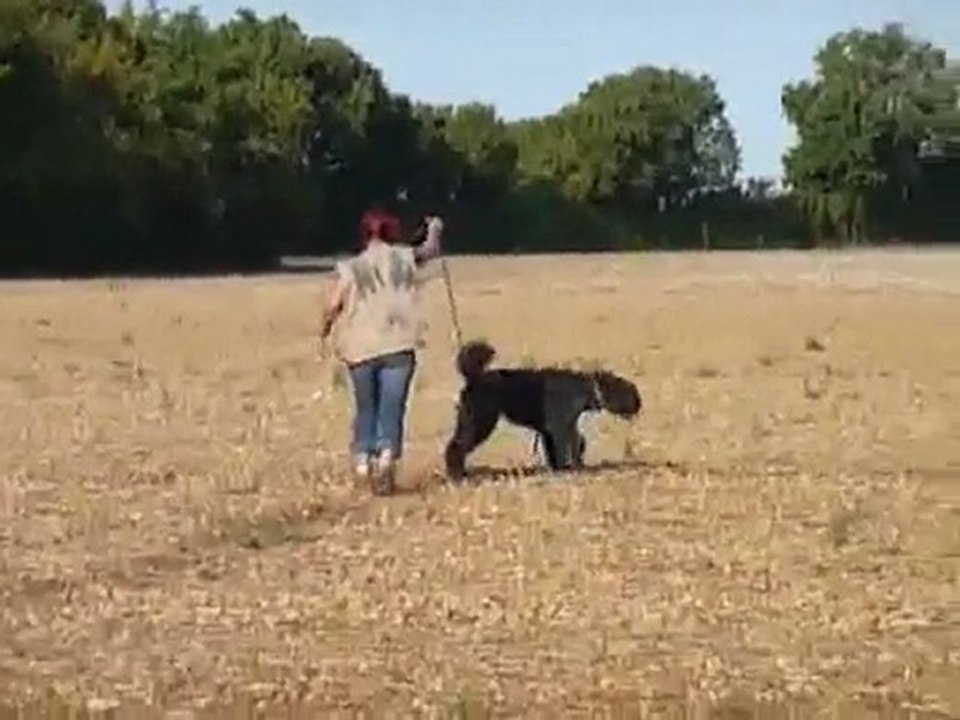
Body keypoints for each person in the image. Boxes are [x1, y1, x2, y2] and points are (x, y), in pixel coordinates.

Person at [319, 208, 444, 495]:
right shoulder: (405, 258)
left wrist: (324, 330)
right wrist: (434, 228)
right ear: (393, 232)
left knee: (366, 407)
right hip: (399, 343)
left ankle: (363, 463)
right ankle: (386, 460)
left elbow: (332, 306)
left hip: (360, 348)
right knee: (392, 407)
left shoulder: (351, 267)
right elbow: (430, 250)